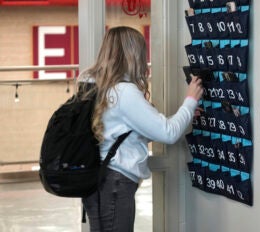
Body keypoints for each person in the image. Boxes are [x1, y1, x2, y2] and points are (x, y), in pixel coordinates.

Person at [79, 26, 203, 232]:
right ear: (132, 53)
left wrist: (185, 117)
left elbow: (133, 129)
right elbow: (167, 133)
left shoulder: (95, 84)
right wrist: (190, 100)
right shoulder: (124, 92)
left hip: (99, 179)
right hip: (114, 184)